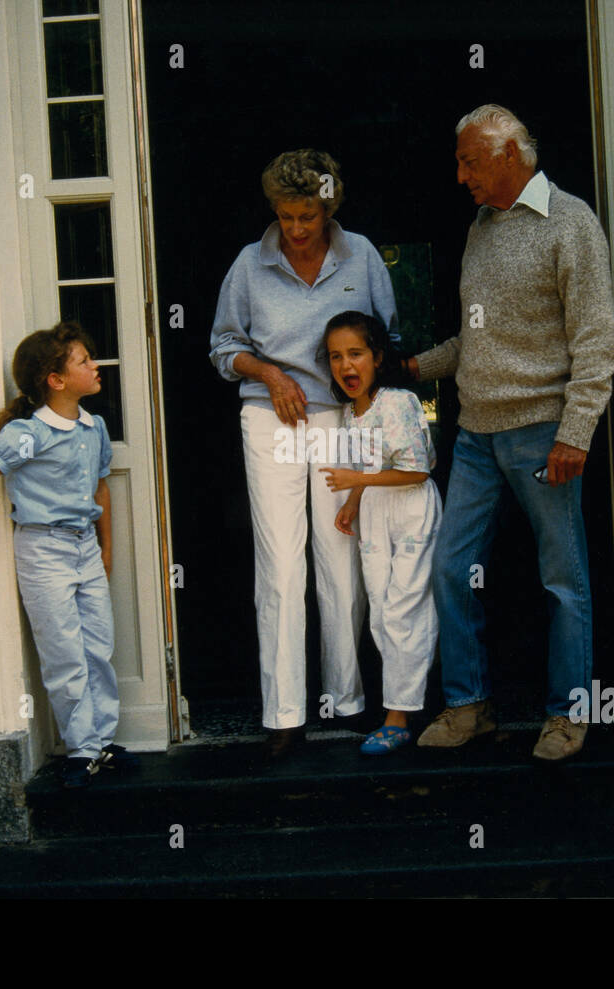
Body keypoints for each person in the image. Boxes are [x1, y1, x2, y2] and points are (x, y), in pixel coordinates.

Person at [406, 104, 614, 761]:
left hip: (542, 430)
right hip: (475, 431)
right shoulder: (482, 226)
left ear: (510, 155)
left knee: (562, 578)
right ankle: (470, 705)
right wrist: (417, 366)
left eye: (469, 160)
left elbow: (598, 341)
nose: (460, 173)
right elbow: (479, 339)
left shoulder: (570, 222)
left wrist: (576, 433)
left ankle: (567, 715)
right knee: (448, 567)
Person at [209, 149, 400, 757]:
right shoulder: (249, 263)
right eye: (286, 216)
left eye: (307, 217)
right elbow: (221, 347)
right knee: (282, 565)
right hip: (270, 416)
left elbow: (386, 340)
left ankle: (345, 701)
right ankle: (284, 713)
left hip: (339, 417)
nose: (294, 229)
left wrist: (369, 407)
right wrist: (268, 373)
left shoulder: (362, 255)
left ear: (328, 209)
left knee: (342, 557)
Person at [0, 322, 137, 788]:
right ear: (55, 380)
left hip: (84, 549)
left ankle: (101, 743)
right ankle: (81, 750)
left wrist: (106, 551)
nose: (95, 367)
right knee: (64, 654)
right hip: (43, 550)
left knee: (98, 646)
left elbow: (101, 489)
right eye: (83, 361)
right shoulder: (27, 433)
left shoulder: (93, 426)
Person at [319, 311, 441, 755]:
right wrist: (353, 504)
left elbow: (415, 473)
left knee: (406, 609)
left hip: (408, 513)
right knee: (381, 613)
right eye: (336, 357)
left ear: (377, 357)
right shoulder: (352, 412)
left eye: (356, 354)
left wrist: (356, 485)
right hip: (373, 514)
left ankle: (398, 717)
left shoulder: (398, 402)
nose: (346, 366)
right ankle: (404, 705)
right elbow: (369, 470)